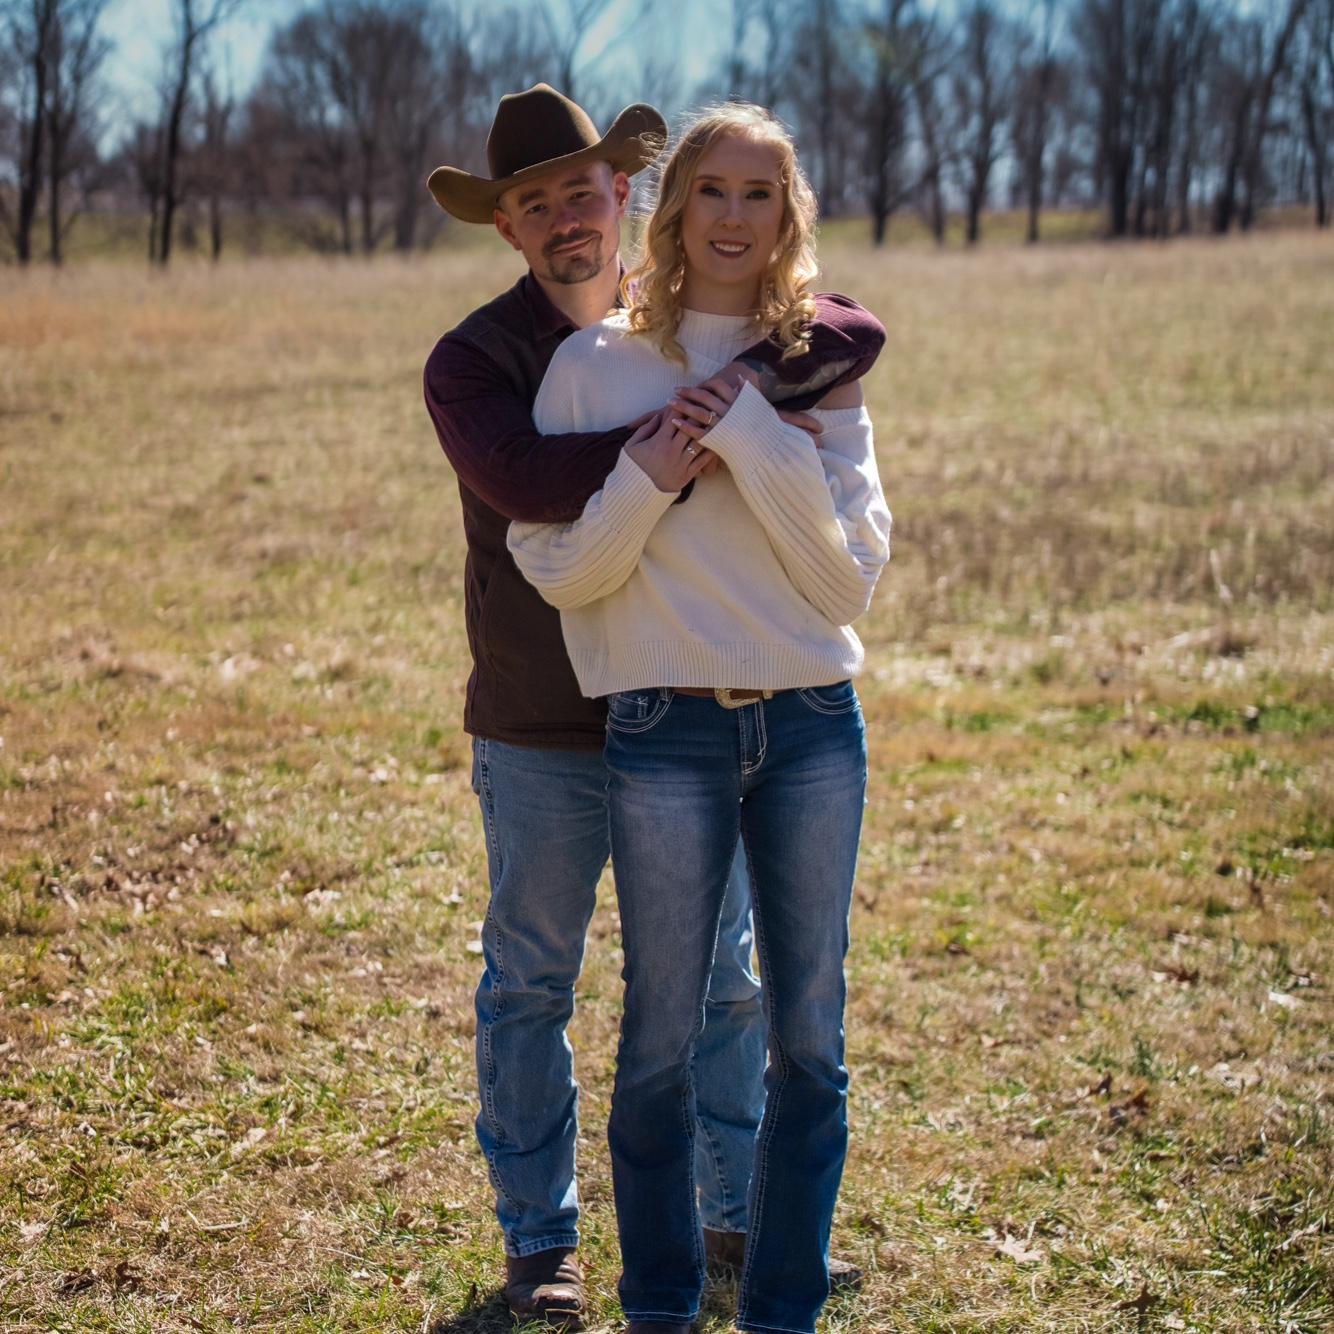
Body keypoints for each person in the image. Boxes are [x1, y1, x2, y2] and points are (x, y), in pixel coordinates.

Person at [423, 85, 885, 1328]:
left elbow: (839, 326)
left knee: (724, 984)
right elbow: (528, 485)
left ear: (624, 196)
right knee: (535, 977)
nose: (563, 216)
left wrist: (764, 383)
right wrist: (692, 430)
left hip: (692, 703)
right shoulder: (482, 361)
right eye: (534, 203)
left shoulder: (709, 318)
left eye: (580, 191)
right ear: (508, 227)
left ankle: (734, 1211)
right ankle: (543, 1241)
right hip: (542, 711)